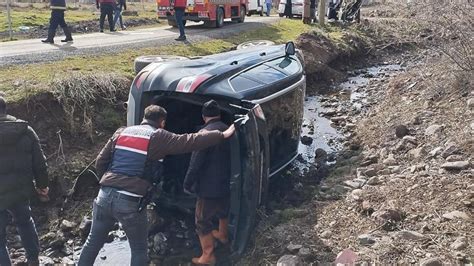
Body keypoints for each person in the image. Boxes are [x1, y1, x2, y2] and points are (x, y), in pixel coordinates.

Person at [78, 105, 235, 266]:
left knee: (92, 242)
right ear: (162, 122)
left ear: (143, 118)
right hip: (130, 202)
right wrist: (221, 134)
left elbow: (100, 162)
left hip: (104, 196)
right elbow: (190, 141)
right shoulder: (158, 136)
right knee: (139, 249)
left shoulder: (122, 132)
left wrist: (108, 183)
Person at [0, 96, 49, 266]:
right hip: (20, 190)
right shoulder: (25, 130)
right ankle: (34, 260)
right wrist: (43, 185)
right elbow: (40, 163)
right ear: (5, 109)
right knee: (25, 222)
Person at [183, 100, 231, 265]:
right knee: (223, 209)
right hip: (228, 180)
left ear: (204, 117)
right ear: (218, 114)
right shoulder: (228, 129)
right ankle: (223, 235)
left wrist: (188, 183)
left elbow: (195, 163)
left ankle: (208, 255)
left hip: (208, 186)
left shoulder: (203, 134)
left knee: (202, 220)